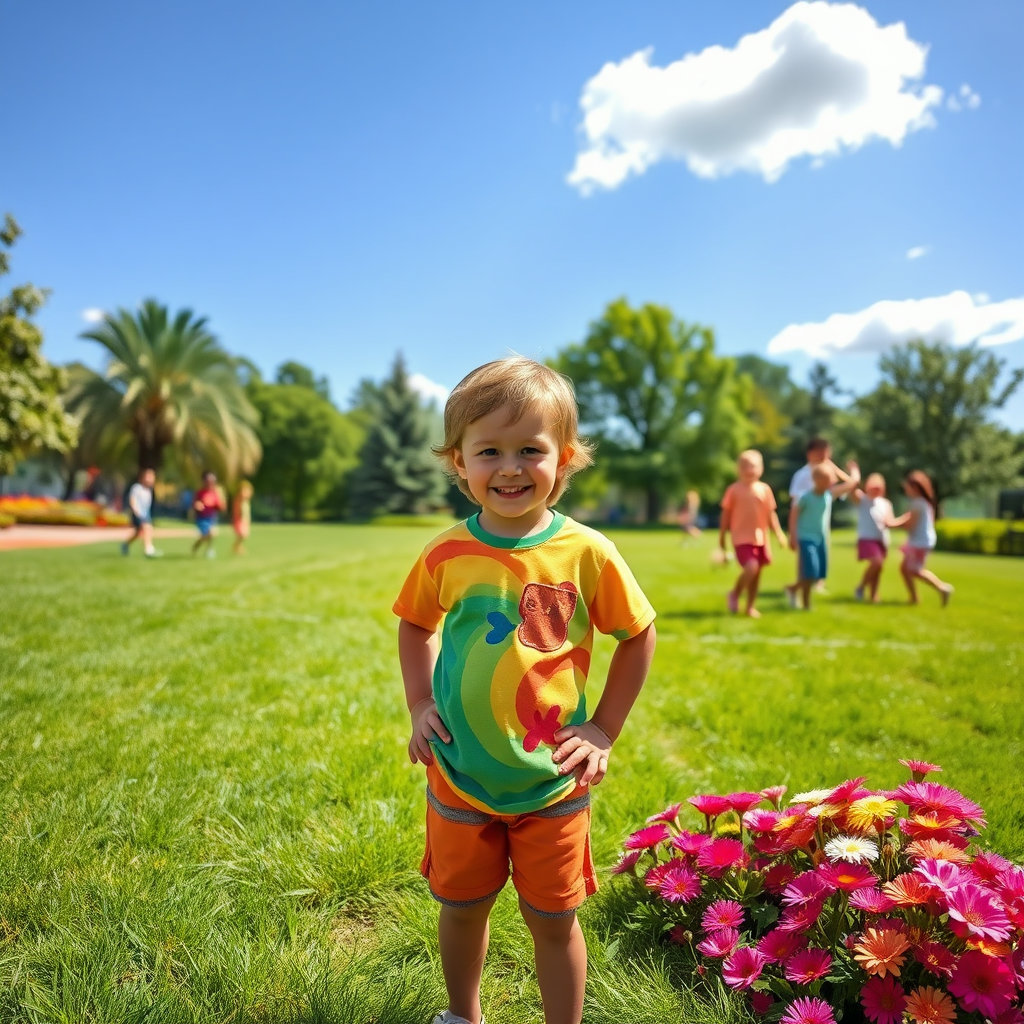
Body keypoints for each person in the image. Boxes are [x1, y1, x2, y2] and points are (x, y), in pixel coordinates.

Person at [393, 357, 657, 1024]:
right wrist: (420, 704)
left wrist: (601, 730)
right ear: (459, 462)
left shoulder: (587, 552)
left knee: (554, 920)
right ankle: (463, 1013)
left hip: (552, 783)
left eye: (529, 450)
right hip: (459, 774)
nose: (509, 467)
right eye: (489, 451)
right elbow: (414, 624)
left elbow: (637, 633)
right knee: (462, 907)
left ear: (563, 459)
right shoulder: (444, 554)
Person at [718, 450, 787, 618]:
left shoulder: (765, 489)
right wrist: (722, 536)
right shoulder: (733, 490)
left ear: (761, 469)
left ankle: (750, 607)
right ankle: (734, 594)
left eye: (753, 466)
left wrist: (778, 533)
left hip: (761, 538)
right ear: (738, 469)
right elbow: (726, 515)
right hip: (741, 538)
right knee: (751, 568)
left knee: (757, 575)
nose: (749, 470)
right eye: (744, 466)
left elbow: (771, 514)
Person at [784, 438, 850, 607]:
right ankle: (803, 599)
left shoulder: (827, 494)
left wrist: (833, 467)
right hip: (806, 533)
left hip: (821, 534)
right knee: (809, 569)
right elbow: (795, 508)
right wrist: (793, 534)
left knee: (816, 572)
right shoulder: (803, 481)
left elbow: (851, 484)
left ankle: (795, 590)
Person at [890, 470, 954, 606]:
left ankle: (943, 588)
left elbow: (908, 524)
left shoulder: (918, 503)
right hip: (919, 541)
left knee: (914, 570)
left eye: (907, 486)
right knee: (904, 569)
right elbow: (907, 518)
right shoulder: (921, 502)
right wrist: (892, 522)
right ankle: (914, 598)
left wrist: (890, 524)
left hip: (920, 542)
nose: (905, 488)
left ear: (914, 488)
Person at [851, 473, 894, 603]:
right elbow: (852, 488)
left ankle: (874, 595)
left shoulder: (885, 503)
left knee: (878, 568)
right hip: (866, 538)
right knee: (876, 562)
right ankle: (860, 587)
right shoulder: (862, 500)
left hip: (881, 539)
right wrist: (854, 473)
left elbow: (890, 521)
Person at [121, 467, 160, 558]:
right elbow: (132, 500)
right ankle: (148, 549)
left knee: (138, 532)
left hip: (146, 513)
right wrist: (136, 511)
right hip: (138, 513)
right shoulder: (137, 488)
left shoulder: (149, 490)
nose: (150, 479)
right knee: (147, 528)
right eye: (148, 476)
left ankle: (125, 544)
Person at [191, 470, 225, 558]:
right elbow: (195, 504)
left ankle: (207, 549)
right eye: (208, 481)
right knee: (209, 534)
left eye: (212, 481)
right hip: (202, 518)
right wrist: (197, 506)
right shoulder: (200, 493)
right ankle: (202, 547)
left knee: (211, 534)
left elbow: (221, 506)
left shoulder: (215, 493)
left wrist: (220, 504)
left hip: (212, 517)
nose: (210, 483)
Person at [232, 480, 254, 555]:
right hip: (239, 520)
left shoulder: (246, 501)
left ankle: (238, 547)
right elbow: (238, 511)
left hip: (244, 521)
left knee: (244, 535)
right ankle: (237, 547)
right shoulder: (239, 499)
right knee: (242, 534)